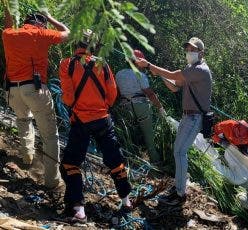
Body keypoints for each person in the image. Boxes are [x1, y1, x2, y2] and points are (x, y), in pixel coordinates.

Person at [58, 32, 132, 223]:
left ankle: (79, 210)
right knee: (115, 160)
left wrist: (80, 105)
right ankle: (126, 201)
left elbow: (67, 98)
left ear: (76, 44)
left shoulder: (67, 64)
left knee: (71, 164)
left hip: (81, 121)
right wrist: (100, 106)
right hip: (103, 119)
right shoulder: (103, 64)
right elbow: (112, 94)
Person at [135, 37, 212, 205]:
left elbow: (173, 75)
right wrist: (159, 74)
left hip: (194, 117)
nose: (189, 52)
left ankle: (180, 194)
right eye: (188, 49)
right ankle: (179, 187)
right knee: (178, 150)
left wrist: (150, 66)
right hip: (187, 116)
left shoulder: (200, 70)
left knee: (180, 152)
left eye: (193, 49)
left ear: (201, 53)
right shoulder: (191, 68)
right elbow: (175, 86)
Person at [2, 7, 70, 190]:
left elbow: (8, 24)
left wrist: (9, 7)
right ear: (41, 23)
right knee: (50, 137)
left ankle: (27, 157)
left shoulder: (9, 34)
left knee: (23, 120)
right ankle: (53, 181)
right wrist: (51, 17)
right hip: (35, 89)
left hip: (12, 90)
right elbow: (67, 33)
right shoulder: (41, 33)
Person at [115, 49, 166, 163]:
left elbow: (117, 92)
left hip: (125, 107)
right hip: (141, 107)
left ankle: (131, 159)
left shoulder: (119, 74)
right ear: (138, 62)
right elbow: (150, 94)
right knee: (149, 135)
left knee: (129, 135)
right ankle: (155, 160)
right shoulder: (140, 75)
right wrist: (160, 108)